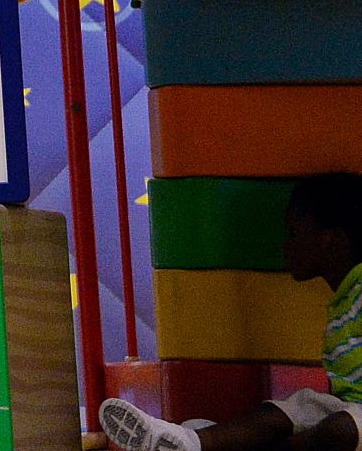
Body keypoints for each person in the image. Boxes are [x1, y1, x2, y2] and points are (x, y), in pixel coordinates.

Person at [100, 172, 362, 451]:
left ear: (330, 240)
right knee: (285, 412)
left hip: (353, 416)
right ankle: (193, 441)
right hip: (348, 408)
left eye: (294, 233)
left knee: (339, 428)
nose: (286, 245)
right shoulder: (341, 303)